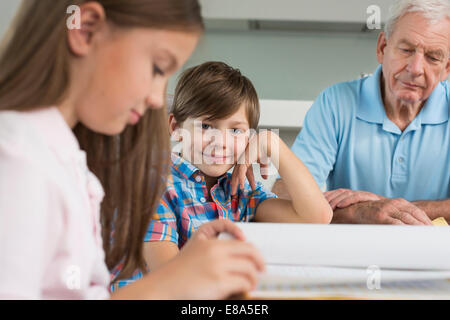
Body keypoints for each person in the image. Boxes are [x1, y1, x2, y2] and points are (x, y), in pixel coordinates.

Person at [0, 0, 265, 300]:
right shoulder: (16, 158)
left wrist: (186, 270)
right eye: (156, 68)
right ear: (86, 30)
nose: (156, 98)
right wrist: (171, 283)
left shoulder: (66, 159)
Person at [111, 61, 332, 284]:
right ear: (176, 128)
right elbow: (172, 279)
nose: (221, 143)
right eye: (206, 126)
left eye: (236, 130)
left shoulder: (239, 190)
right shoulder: (152, 184)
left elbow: (317, 217)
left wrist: (272, 143)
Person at [273, 0, 450, 225]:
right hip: (350, 253)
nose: (415, 69)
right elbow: (284, 194)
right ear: (382, 48)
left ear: (446, 68)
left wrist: (386, 207)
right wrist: (360, 212)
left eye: (433, 57)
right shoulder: (335, 103)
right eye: (406, 50)